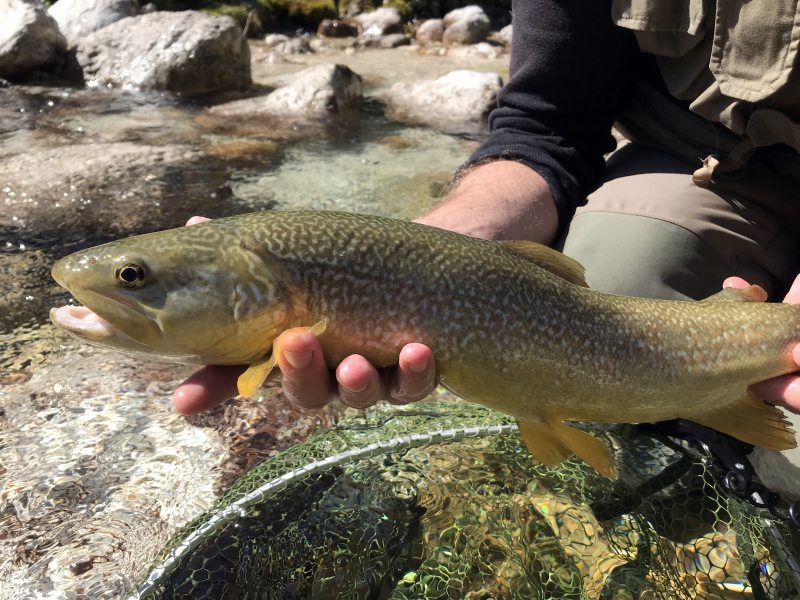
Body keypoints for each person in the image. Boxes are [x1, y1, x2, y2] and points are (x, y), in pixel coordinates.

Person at [172, 0, 800, 419]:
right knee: (596, 321)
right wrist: (428, 257)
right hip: (708, 154)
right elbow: (547, 124)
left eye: (137, 280)